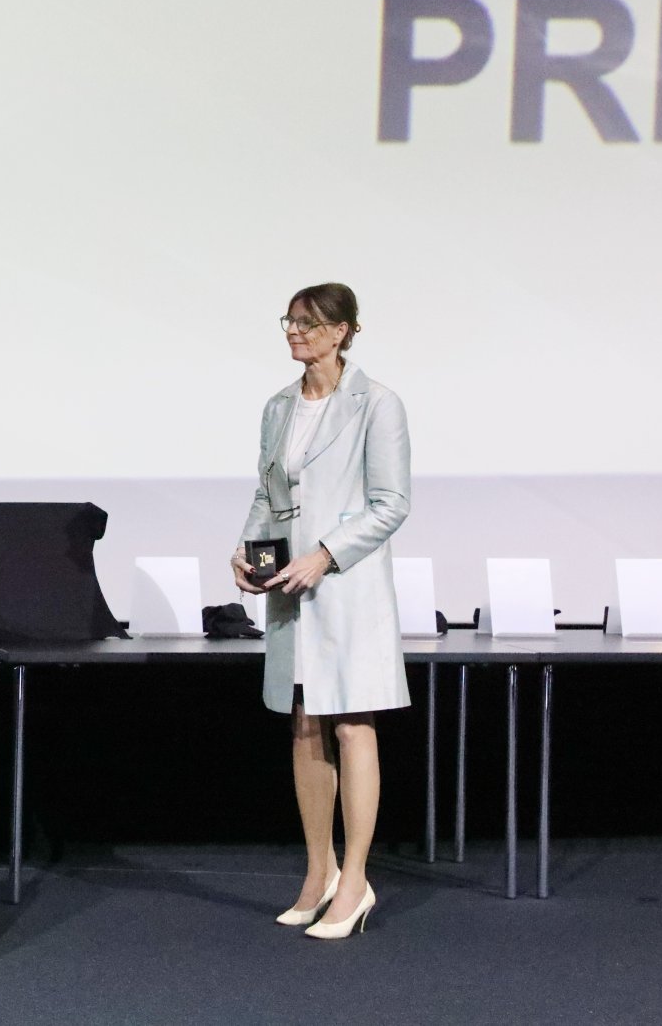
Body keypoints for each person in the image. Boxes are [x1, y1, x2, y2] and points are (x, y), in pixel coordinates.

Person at [231, 282, 411, 940]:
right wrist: (248, 551)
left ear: (342, 331)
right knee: (305, 722)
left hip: (347, 586)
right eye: (290, 320)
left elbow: (391, 503)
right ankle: (319, 872)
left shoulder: (377, 403)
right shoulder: (279, 406)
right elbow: (269, 492)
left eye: (308, 323)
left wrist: (327, 554)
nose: (294, 331)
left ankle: (356, 879)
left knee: (352, 722)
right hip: (290, 586)